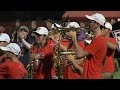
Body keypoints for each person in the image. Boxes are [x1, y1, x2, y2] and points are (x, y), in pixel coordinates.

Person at [65, 13, 107, 79]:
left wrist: (74, 38)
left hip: (92, 75)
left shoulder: (99, 40)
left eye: (91, 21)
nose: (88, 23)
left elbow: (80, 54)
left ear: (97, 24)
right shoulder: (97, 39)